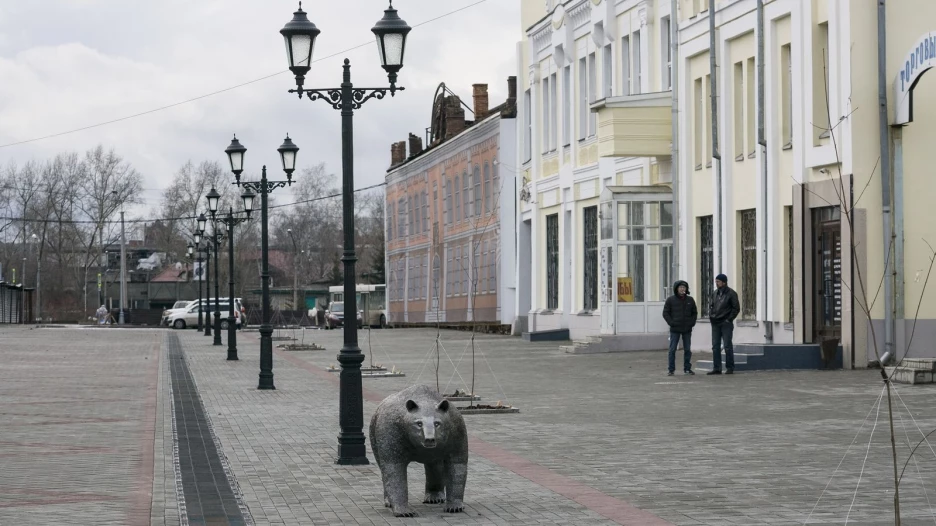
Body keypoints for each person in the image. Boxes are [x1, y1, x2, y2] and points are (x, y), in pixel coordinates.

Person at [662, 280, 698, 376]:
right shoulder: (671, 300)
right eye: (680, 287)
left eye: (684, 287)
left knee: (687, 349)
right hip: (675, 329)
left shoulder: (690, 300)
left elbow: (694, 313)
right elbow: (665, 313)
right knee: (672, 349)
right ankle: (671, 369)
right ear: (676, 289)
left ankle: (687, 368)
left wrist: (692, 323)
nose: (682, 289)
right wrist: (671, 323)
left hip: (687, 328)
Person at [708, 273, 741, 375]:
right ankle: (717, 368)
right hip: (715, 322)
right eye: (716, 281)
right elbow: (712, 306)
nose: (716, 283)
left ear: (724, 282)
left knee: (727, 345)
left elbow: (736, 308)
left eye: (718, 281)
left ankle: (730, 367)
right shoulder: (715, 293)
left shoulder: (731, 293)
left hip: (726, 323)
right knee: (715, 346)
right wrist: (712, 316)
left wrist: (729, 319)